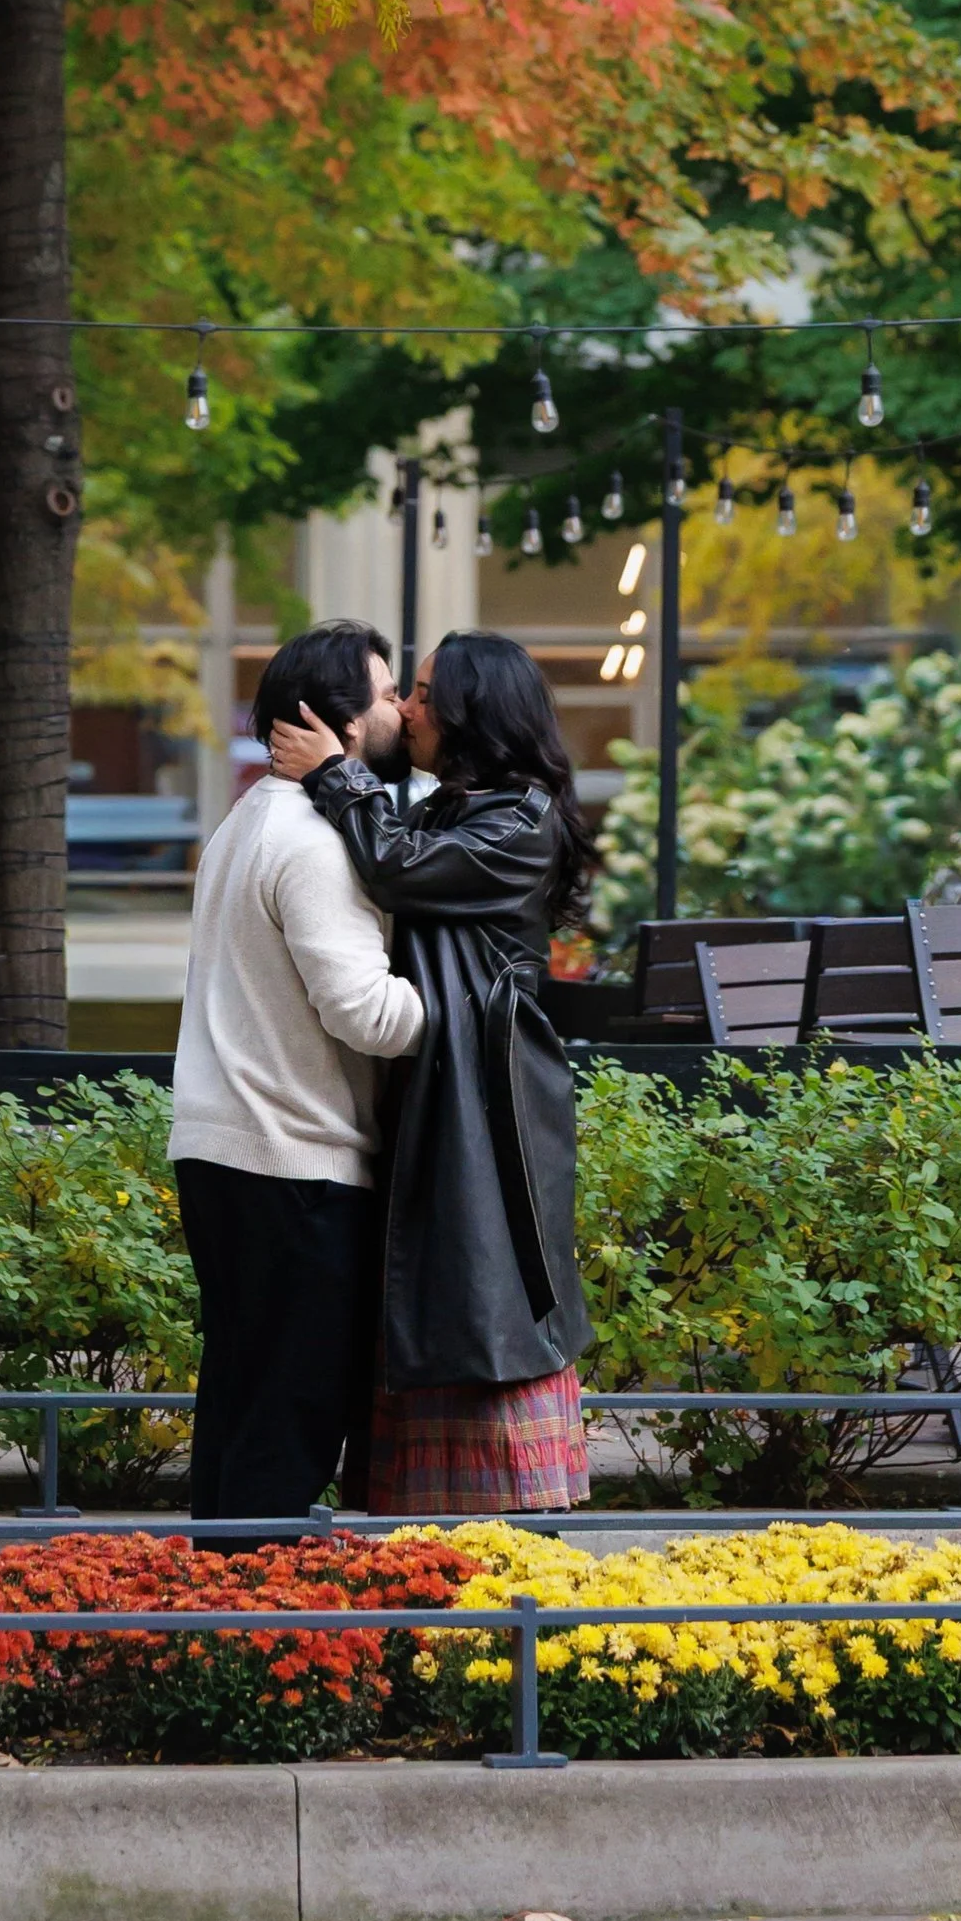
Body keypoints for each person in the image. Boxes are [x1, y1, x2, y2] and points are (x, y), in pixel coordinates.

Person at [268, 628, 596, 1516]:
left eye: (420, 692)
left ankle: (511, 1556)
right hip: (445, 1087)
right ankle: (434, 1556)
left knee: (478, 1285)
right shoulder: (459, 804)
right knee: (436, 1285)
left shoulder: (518, 820)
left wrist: (333, 773)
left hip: (488, 1100)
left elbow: (393, 867)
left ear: (470, 709)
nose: (405, 708)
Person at [168, 620, 424, 1522]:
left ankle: (215, 1619)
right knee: (292, 1415)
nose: (402, 709)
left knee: (239, 1401)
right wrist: (475, 1011)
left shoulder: (245, 820)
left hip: (222, 1150)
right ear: (344, 725)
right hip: (297, 1163)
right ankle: (254, 1630)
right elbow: (366, 1013)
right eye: (390, 694)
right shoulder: (316, 842)